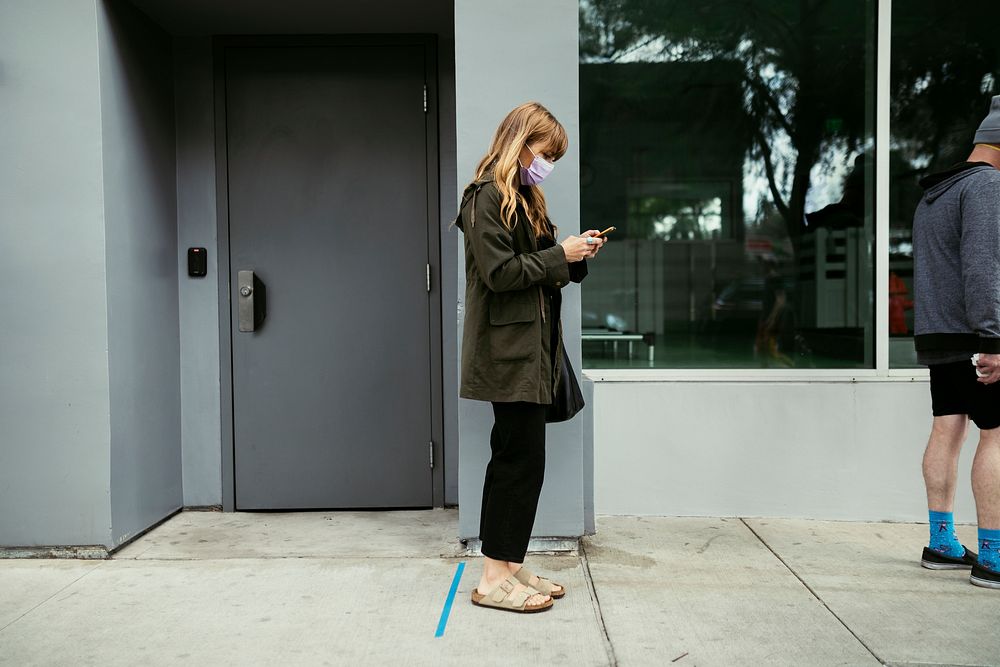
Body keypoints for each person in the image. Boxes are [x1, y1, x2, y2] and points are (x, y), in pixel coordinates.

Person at [454, 102, 605, 613]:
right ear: (519, 144)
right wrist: (558, 255)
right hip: (506, 352)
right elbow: (500, 273)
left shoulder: (523, 198)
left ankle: (509, 564)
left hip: (531, 350)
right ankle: (493, 577)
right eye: (545, 153)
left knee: (521, 459)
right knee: (518, 461)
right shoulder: (484, 199)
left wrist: (576, 255)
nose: (547, 165)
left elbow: (541, 266)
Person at [913, 95, 1000, 589]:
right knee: (997, 434)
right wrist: (994, 339)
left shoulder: (937, 192)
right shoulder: (987, 186)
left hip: (940, 331)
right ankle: (994, 555)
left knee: (949, 428)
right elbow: (983, 266)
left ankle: (941, 542)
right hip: (976, 333)